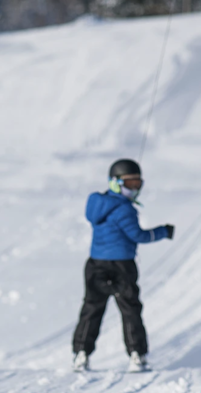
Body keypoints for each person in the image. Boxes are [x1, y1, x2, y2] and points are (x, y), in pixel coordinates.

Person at [72, 159, 173, 373]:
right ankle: (137, 355)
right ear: (115, 182)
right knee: (130, 309)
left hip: (95, 265)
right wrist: (163, 231)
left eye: (138, 183)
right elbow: (138, 236)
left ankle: (81, 354)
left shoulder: (96, 205)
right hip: (122, 267)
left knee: (92, 308)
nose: (134, 189)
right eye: (129, 183)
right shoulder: (125, 209)